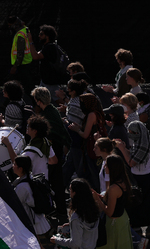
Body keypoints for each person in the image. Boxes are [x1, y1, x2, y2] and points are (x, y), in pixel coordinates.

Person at [116, 120, 150, 242]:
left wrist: (122, 149)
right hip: (139, 178)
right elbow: (133, 157)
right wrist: (125, 148)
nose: (130, 134)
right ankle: (138, 229)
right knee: (138, 206)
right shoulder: (139, 141)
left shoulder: (143, 145)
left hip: (144, 179)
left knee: (147, 205)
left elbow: (131, 162)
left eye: (132, 132)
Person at [32, 86, 71, 219]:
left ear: (38, 100)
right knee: (57, 182)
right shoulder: (53, 110)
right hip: (57, 149)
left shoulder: (46, 115)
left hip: (52, 151)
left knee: (53, 182)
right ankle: (60, 210)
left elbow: (50, 135)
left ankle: (57, 211)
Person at [91, 154, 134, 249]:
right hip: (122, 220)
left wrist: (97, 199)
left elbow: (110, 212)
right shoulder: (123, 181)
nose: (104, 167)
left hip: (114, 224)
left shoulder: (113, 188)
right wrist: (103, 197)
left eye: (106, 165)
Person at [51, 178, 100, 249]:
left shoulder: (76, 217)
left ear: (75, 193)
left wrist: (57, 240)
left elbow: (75, 244)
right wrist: (71, 224)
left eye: (70, 189)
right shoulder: (94, 209)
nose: (69, 191)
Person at [12, 155, 52, 241]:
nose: (13, 166)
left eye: (15, 164)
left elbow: (15, 203)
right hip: (38, 219)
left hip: (31, 222)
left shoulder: (22, 187)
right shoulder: (29, 177)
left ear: (20, 169)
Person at [27, 24, 63, 100]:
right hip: (47, 80)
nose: (39, 36)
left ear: (47, 36)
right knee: (41, 100)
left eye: (41, 34)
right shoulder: (49, 46)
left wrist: (30, 41)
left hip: (49, 81)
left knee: (46, 100)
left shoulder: (49, 47)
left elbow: (35, 56)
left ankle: (71, 110)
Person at [6, 16, 34, 97]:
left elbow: (20, 53)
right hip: (26, 63)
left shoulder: (20, 35)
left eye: (10, 25)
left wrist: (15, 66)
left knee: (27, 87)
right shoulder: (25, 30)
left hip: (22, 65)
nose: (9, 27)